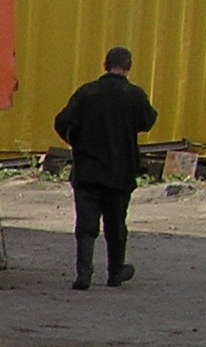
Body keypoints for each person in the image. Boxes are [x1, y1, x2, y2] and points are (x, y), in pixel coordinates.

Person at [53, 46, 158, 288]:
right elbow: (148, 121)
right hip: (120, 172)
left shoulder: (87, 93)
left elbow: (62, 122)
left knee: (86, 225)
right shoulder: (135, 95)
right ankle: (115, 272)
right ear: (128, 66)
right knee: (116, 224)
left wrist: (75, 143)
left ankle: (83, 274)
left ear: (104, 65)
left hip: (88, 170)